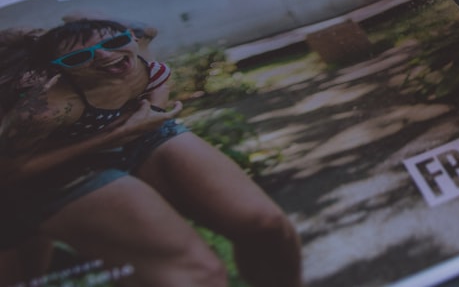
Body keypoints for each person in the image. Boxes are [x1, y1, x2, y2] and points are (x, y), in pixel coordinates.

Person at [0, 19, 302, 287]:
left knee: (266, 226)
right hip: (61, 166)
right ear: (60, 72)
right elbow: (8, 171)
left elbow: (157, 68)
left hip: (138, 131)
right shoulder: (45, 109)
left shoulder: (135, 50)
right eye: (80, 57)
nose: (106, 55)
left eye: (116, 42)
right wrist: (118, 133)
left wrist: (152, 112)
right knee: (198, 275)